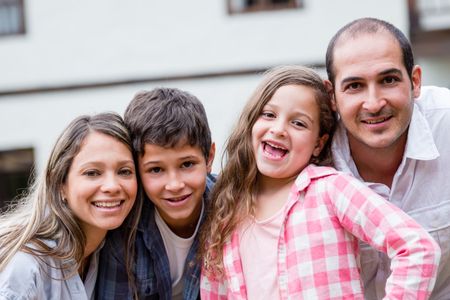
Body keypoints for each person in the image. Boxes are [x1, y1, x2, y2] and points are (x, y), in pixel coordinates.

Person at [199, 65, 440, 299]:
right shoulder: (226, 212)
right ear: (252, 124)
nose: (279, 129)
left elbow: (417, 248)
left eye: (299, 123)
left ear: (318, 143)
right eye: (269, 115)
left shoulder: (331, 190)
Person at [325, 17, 450, 299]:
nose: (374, 103)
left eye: (389, 80)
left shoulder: (446, 122)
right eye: (354, 86)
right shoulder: (311, 155)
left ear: (415, 82)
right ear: (332, 96)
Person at [0, 112, 140, 299]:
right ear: (60, 184)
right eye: (92, 173)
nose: (112, 186)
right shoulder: (26, 266)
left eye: (124, 171)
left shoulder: (109, 253)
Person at [96, 87, 216, 300]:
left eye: (187, 164)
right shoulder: (124, 232)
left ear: (209, 158)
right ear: (136, 169)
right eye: (156, 169)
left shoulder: (233, 209)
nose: (174, 184)